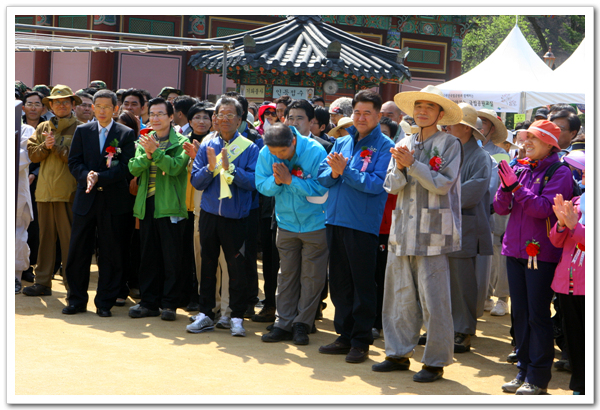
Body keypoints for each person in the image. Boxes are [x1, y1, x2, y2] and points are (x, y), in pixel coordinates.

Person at [374, 85, 463, 383]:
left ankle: (435, 361)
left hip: (433, 231)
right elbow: (391, 185)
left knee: (434, 298)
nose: (422, 110)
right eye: (419, 106)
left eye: (430, 107)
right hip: (402, 228)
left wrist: (413, 164)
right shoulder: (404, 141)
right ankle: (398, 353)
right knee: (398, 294)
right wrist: (400, 167)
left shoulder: (450, 143)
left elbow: (441, 184)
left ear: (440, 113)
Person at [494, 120, 574, 395]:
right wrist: (505, 188)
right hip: (514, 250)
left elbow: (542, 209)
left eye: (534, 139)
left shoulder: (559, 171)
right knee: (520, 315)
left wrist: (516, 187)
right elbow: (500, 208)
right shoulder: (519, 167)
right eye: (525, 138)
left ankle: (537, 378)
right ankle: (523, 371)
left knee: (538, 316)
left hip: (541, 252)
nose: (526, 143)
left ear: (550, 143)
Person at [317, 90, 393, 364]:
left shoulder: (385, 146)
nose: (361, 118)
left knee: (362, 283)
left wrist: (344, 172)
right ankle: (344, 335)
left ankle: (361, 340)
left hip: (362, 224)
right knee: (339, 281)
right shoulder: (341, 142)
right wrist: (336, 172)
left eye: (367, 113)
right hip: (334, 219)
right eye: (357, 112)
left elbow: (376, 184)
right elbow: (323, 178)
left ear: (378, 115)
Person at [187, 97, 259, 337]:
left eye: (231, 116)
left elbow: (254, 182)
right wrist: (210, 168)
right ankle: (206, 313)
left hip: (236, 217)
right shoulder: (208, 143)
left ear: (240, 120)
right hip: (209, 214)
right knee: (207, 264)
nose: (225, 120)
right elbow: (196, 181)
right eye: (221, 116)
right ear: (214, 119)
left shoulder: (249, 147)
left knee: (236, 269)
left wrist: (232, 170)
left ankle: (236, 316)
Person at [63, 90, 136, 317]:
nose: (102, 111)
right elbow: (73, 161)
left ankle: (105, 302)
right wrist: (87, 176)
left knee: (111, 252)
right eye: (98, 106)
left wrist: (100, 177)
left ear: (115, 109)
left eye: (107, 107)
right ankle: (76, 299)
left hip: (114, 202)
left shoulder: (125, 133)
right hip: (86, 199)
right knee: (78, 251)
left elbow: (126, 166)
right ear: (92, 108)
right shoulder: (83, 131)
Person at [256, 123, 329, 345]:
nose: (278, 157)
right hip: (285, 222)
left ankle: (302, 324)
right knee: (286, 275)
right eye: (273, 153)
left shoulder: (315, 151)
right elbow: (261, 185)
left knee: (311, 277)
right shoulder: (265, 152)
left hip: (315, 223)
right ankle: (283, 323)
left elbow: (322, 188)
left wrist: (291, 180)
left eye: (283, 152)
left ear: (294, 142)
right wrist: (276, 181)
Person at [127, 97, 190, 321]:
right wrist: (150, 153)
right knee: (148, 257)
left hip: (170, 206)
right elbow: (133, 167)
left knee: (171, 258)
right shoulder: (144, 140)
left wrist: (157, 152)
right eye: (152, 114)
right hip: (147, 205)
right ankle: (148, 303)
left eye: (160, 114)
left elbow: (174, 168)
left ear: (171, 117)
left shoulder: (182, 142)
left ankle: (170, 304)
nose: (155, 118)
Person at [23, 85, 83, 297]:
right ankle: (42, 282)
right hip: (45, 192)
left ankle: (71, 284)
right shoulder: (42, 128)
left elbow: (75, 158)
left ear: (73, 104)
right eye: (56, 102)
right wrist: (44, 148)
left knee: (69, 240)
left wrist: (54, 147)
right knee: (45, 239)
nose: (61, 105)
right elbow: (33, 156)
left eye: (65, 101)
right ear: (50, 105)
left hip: (68, 191)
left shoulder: (80, 128)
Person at [445, 103, 493, 353]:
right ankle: (444, 328)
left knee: (463, 281)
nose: (447, 126)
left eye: (452, 122)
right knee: (442, 278)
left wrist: (439, 192)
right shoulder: (448, 150)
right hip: (443, 222)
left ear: (465, 128)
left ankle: (463, 330)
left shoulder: (481, 157)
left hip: (465, 224)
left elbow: (472, 194)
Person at [550, 150, 585, 395]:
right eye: (584, 172)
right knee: (573, 338)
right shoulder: (576, 202)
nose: (584, 175)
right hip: (567, 281)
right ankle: (580, 386)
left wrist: (576, 227)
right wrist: (562, 224)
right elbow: (555, 240)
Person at [16, 123, 35, 293]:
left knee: (17, 233)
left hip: (16, 189)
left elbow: (25, 155)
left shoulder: (25, 129)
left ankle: (15, 276)